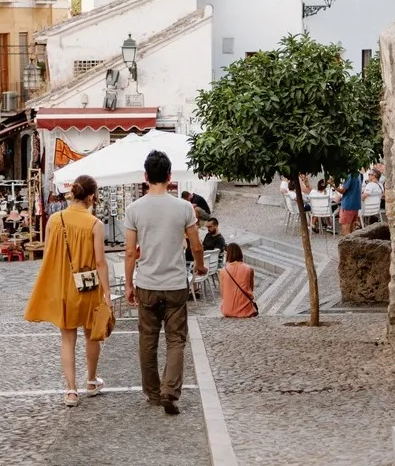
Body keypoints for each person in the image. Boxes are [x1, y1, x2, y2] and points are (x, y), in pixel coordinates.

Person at [125, 151, 206, 416]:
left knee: (148, 339)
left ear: (146, 177)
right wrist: (201, 265)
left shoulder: (134, 209)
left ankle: (152, 392)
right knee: (175, 340)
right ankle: (170, 391)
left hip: (147, 282)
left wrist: (128, 284)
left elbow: (129, 252)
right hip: (175, 284)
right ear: (170, 178)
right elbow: (195, 244)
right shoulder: (183, 208)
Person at [25, 175, 112, 408]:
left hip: (64, 287)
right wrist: (108, 292)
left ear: (73, 193)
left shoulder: (54, 220)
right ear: (91, 196)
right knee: (91, 334)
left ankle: (71, 391)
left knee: (67, 338)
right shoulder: (95, 224)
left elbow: (51, 254)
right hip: (89, 288)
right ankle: (91, 382)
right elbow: (100, 261)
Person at [218, 243, 257, 319]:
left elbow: (222, 293)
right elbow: (251, 289)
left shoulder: (223, 271)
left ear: (228, 255)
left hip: (227, 310)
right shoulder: (249, 269)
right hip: (246, 310)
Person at [336, 171, 363, 235]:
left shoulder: (350, 175)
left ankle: (346, 244)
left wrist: (333, 185)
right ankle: (352, 244)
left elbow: (342, 191)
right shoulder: (358, 174)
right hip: (355, 204)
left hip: (348, 204)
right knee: (352, 229)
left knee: (345, 228)